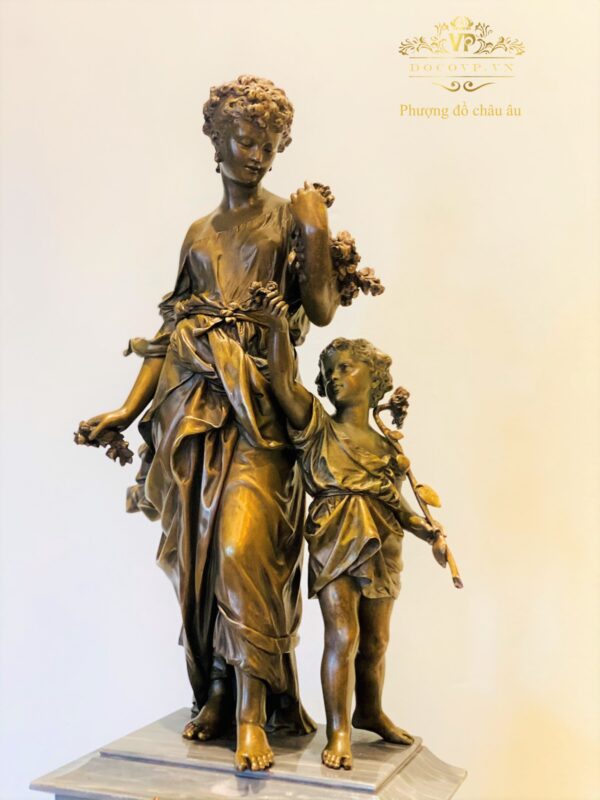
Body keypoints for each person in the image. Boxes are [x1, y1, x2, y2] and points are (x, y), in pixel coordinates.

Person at [82, 75, 339, 772]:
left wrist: (315, 228)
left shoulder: (288, 219)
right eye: (246, 140)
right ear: (217, 139)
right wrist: (126, 411)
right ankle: (220, 692)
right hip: (191, 411)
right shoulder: (199, 234)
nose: (257, 155)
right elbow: (172, 330)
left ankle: (256, 711)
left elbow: (319, 309)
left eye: (270, 145)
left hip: (261, 412)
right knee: (197, 563)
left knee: (241, 552)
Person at [253, 287, 445, 770]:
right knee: (343, 634)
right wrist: (277, 331)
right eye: (330, 371)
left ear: (374, 379)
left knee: (376, 642)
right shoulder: (318, 426)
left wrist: (428, 532)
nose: (335, 377)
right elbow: (283, 381)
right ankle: (338, 731)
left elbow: (396, 504)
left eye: (346, 368)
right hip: (335, 536)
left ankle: (370, 711)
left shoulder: (388, 448)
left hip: (383, 544)